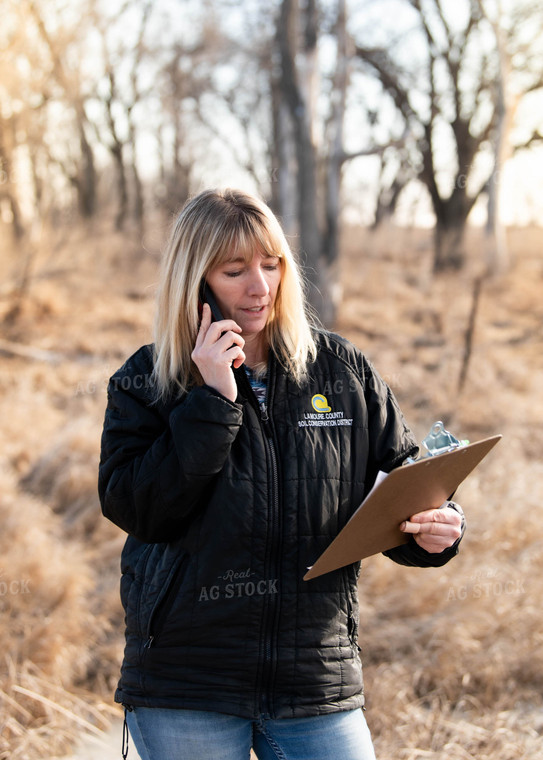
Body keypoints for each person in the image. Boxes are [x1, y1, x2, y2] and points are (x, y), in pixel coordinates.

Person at [98, 188, 464, 760]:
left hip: (314, 679)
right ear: (194, 281)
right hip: (187, 680)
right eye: (234, 270)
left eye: (271, 265)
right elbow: (138, 508)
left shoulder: (341, 370)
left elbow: (406, 480)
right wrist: (214, 401)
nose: (259, 287)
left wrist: (440, 529)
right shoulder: (149, 380)